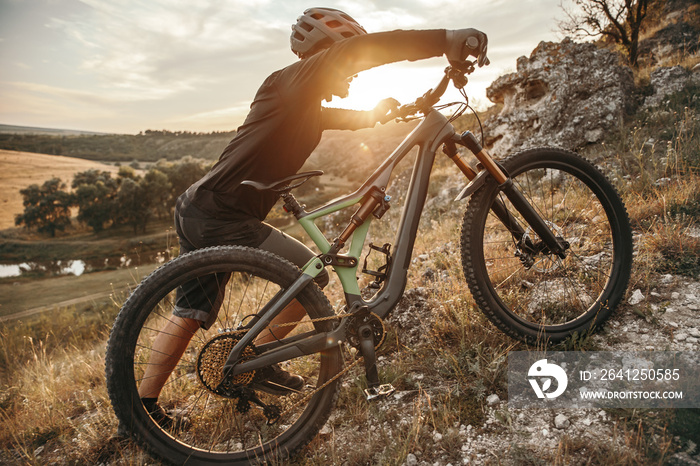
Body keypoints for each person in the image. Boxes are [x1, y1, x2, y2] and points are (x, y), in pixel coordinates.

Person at [135, 7, 489, 426]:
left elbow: (357, 119)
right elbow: (368, 49)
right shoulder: (291, 78)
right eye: (348, 63)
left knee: (190, 313)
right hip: (222, 213)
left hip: (202, 207)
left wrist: (401, 109)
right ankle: (257, 360)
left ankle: (140, 410)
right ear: (327, 51)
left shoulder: (304, 102)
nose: (353, 74)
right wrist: (445, 39)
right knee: (311, 273)